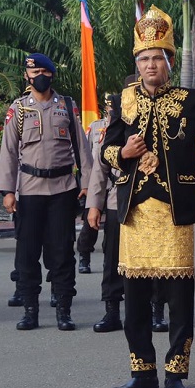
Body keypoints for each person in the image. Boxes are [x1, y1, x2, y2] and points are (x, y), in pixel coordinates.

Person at [102, 5, 195, 388]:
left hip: (175, 211)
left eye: (157, 58)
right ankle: (143, 373)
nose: (150, 65)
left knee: (180, 297)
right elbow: (106, 152)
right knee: (135, 297)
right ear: (138, 61)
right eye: (144, 58)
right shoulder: (122, 100)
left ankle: (176, 374)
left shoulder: (191, 99)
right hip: (134, 213)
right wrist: (124, 154)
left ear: (169, 59)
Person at [0, 53, 93, 331]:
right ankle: (30, 311)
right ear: (26, 76)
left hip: (63, 189)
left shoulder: (66, 106)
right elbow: (9, 151)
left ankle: (64, 309)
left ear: (51, 74)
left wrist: (85, 183)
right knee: (27, 253)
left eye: (43, 71)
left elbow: (82, 148)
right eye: (33, 71)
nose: (38, 75)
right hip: (29, 190)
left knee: (62, 251)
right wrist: (7, 190)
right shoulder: (19, 109)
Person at [85, 95, 125, 333]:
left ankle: (156, 310)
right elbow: (100, 169)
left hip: (148, 203)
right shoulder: (110, 130)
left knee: (151, 260)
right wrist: (94, 205)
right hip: (115, 199)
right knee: (112, 260)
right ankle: (112, 311)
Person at [76, 111, 110, 275]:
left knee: (113, 227)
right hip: (96, 182)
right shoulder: (95, 127)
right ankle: (84, 256)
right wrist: (85, 182)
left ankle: (109, 260)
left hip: (115, 183)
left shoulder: (126, 125)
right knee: (90, 223)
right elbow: (85, 154)